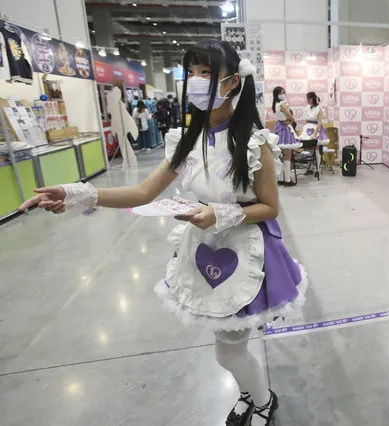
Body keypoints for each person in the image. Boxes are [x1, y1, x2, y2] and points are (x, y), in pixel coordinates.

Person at [20, 41, 307, 426]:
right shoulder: (187, 139)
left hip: (245, 250)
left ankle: (263, 400)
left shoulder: (254, 142)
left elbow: (270, 207)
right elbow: (142, 192)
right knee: (227, 346)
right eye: (193, 72)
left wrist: (219, 214)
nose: (197, 81)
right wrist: (76, 192)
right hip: (204, 249)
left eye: (207, 73)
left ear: (233, 81)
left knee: (228, 351)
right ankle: (247, 395)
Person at [272, 86, 301, 186]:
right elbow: (292, 118)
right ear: (276, 94)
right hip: (286, 130)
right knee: (287, 156)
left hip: (279, 128)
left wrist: (287, 120)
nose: (283, 94)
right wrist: (289, 120)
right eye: (281, 93)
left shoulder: (275, 104)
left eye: (284, 92)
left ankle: (281, 178)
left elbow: (285, 118)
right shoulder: (282, 105)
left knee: (282, 156)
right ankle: (287, 180)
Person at [299, 92, 330, 176]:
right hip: (307, 130)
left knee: (316, 150)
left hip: (316, 130)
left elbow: (320, 122)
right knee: (308, 150)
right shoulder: (307, 108)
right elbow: (305, 120)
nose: (308, 100)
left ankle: (317, 170)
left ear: (312, 98)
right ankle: (309, 168)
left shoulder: (319, 109)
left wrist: (315, 134)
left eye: (309, 98)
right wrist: (304, 131)